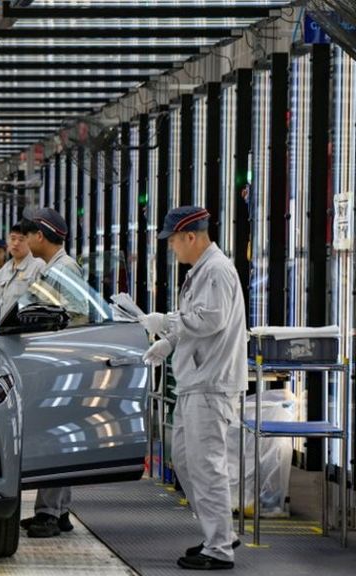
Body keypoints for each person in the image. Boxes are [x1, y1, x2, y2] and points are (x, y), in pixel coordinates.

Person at [138, 206, 246, 571]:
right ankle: (220, 532)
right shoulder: (201, 271)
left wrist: (164, 321)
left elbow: (211, 319)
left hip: (211, 383)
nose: (172, 249)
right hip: (194, 381)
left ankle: (219, 549)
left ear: (191, 236)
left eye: (172, 242)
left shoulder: (215, 270)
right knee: (184, 460)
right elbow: (196, 318)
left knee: (206, 465)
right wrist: (167, 342)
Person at [16, 207, 81, 538]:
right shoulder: (52, 268)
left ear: (39, 236)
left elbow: (77, 314)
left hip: (61, 366)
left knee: (56, 438)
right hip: (53, 364)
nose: (25, 241)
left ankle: (50, 514)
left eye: (27, 235)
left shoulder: (64, 269)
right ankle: (58, 510)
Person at [0, 227, 44, 323]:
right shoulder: (7, 268)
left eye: (21, 239)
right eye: (13, 238)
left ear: (29, 242)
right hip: (5, 333)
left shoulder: (39, 266)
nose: (16, 243)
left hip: (28, 333)